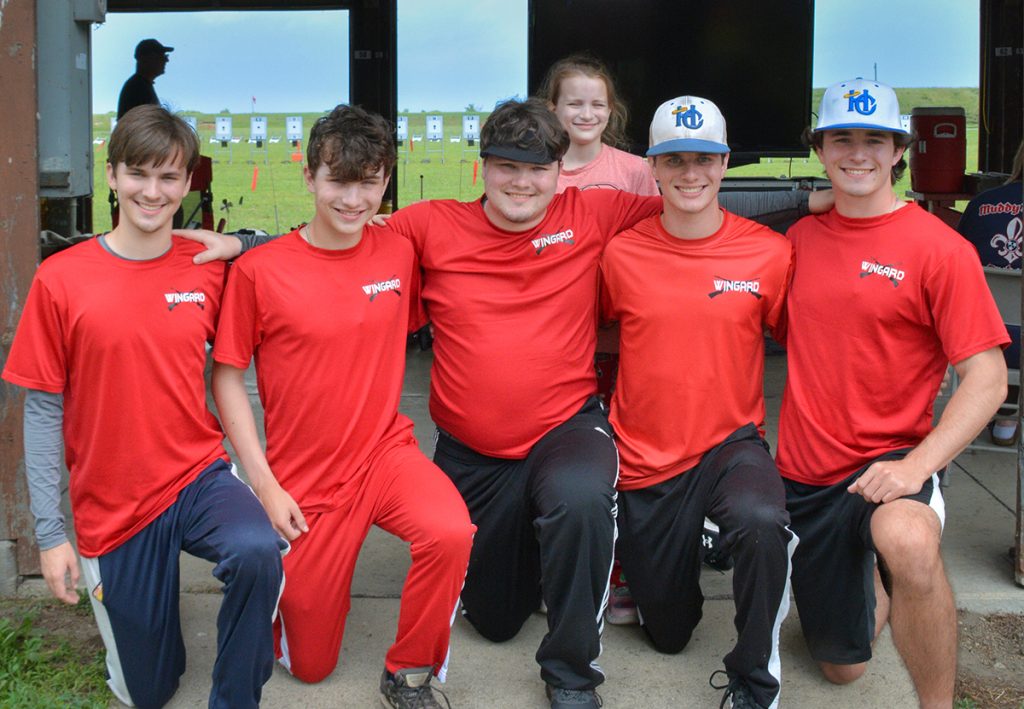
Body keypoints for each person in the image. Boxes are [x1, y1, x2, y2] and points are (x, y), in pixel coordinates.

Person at [182, 97, 830, 709]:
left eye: (536, 170)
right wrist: (245, 240)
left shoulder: (593, 212)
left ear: (560, 172)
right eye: (507, 168)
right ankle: (533, 572)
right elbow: (346, 228)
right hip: (473, 452)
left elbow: (695, 201)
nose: (521, 184)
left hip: (563, 429)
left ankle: (572, 671)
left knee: (580, 497)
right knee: (492, 622)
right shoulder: (430, 226)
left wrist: (821, 198)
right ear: (482, 168)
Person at [1, 105, 285, 709]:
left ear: (188, 184)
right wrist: (52, 536)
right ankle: (151, 633)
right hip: (115, 504)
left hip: (194, 476)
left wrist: (241, 241)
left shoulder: (208, 267)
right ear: (111, 176)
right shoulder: (62, 278)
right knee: (149, 692)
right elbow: (44, 409)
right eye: (138, 174)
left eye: (169, 178)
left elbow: (300, 250)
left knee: (258, 551)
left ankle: (236, 700)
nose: (152, 192)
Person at [211, 104, 475, 709]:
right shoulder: (260, 272)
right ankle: (284, 598)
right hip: (308, 482)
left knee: (450, 531)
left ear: (386, 181)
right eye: (338, 181)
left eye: (370, 183)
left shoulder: (397, 250)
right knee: (310, 668)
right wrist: (265, 484)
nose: (354, 200)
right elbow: (227, 376)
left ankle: (410, 669)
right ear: (309, 178)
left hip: (385, 454)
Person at [777, 78, 1009, 708]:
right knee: (840, 669)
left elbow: (987, 377)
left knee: (906, 541)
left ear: (899, 151)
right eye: (842, 140)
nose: (859, 153)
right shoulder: (795, 242)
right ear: (820, 151)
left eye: (875, 139)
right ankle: (872, 588)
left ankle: (936, 704)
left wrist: (917, 466)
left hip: (893, 466)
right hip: (806, 476)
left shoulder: (940, 249)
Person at [600, 95, 795, 709]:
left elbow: (803, 341)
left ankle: (754, 681)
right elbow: (601, 332)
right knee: (668, 636)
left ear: (725, 163)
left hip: (730, 444)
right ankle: (695, 540)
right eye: (675, 159)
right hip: (647, 459)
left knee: (764, 524)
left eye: (704, 159)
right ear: (652, 167)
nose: (691, 173)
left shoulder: (768, 252)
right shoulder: (622, 253)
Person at [957, 138, 1023, 445]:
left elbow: (955, 262)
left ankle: (997, 417)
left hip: (978, 336)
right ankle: (1007, 421)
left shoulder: (981, 203)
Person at [538, 53, 659, 196]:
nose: (587, 115)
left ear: (610, 110)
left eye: (598, 105)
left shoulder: (636, 170)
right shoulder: (533, 168)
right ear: (553, 109)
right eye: (574, 104)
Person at [117, 38, 172, 119]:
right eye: (161, 56)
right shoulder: (137, 88)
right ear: (145, 59)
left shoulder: (140, 85)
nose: (166, 60)